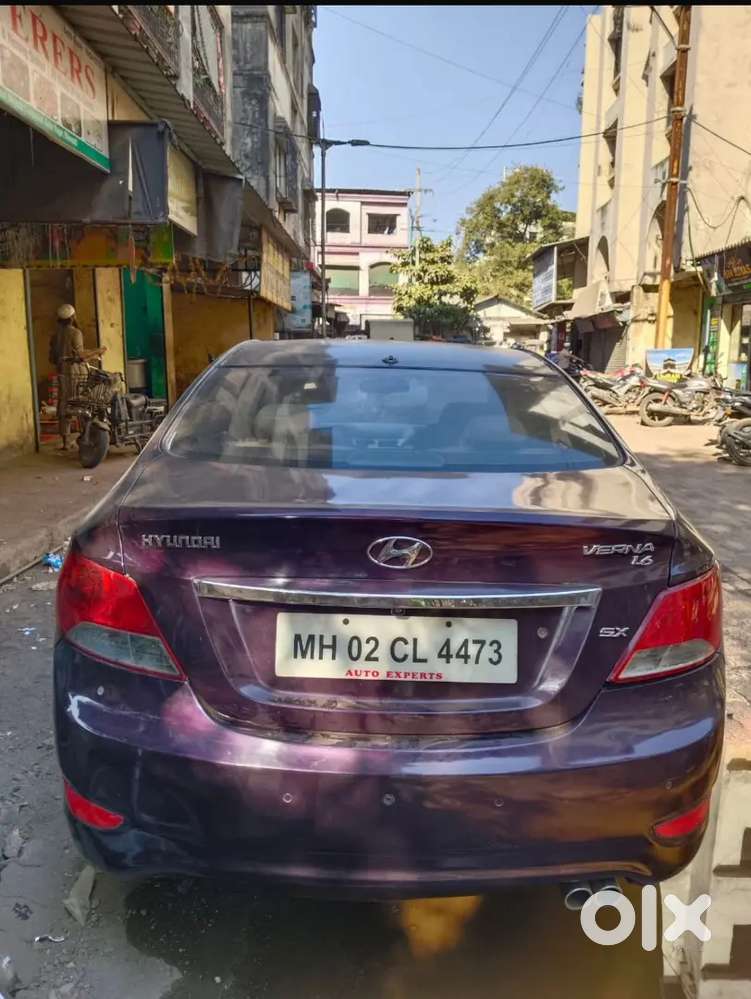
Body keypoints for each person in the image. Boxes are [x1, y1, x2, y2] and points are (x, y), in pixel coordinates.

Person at [49, 304, 106, 450]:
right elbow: (80, 354)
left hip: (62, 373)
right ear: (73, 317)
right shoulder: (75, 333)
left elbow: (52, 358)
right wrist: (97, 351)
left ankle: (66, 442)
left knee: (64, 405)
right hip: (76, 373)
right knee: (82, 404)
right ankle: (85, 436)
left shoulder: (55, 336)